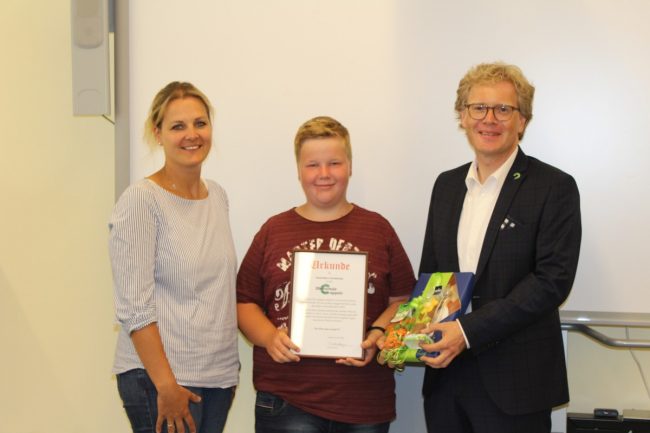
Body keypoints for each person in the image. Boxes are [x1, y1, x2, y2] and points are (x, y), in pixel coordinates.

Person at [417, 62, 582, 433]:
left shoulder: (554, 187)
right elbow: (433, 275)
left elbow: (551, 281)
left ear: (522, 121)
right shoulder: (446, 186)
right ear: (463, 116)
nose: (489, 119)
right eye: (478, 108)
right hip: (447, 381)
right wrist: (411, 333)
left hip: (516, 384)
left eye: (503, 109)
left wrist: (467, 331)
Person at [236, 116, 416, 433]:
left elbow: (404, 299)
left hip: (363, 399)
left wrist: (378, 333)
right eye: (312, 165)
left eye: (334, 163)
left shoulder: (378, 229)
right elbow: (244, 301)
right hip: (287, 398)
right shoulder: (273, 231)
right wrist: (269, 338)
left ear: (350, 166)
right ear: (298, 170)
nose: (324, 174)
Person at [109, 82, 239, 433]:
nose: (191, 135)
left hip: (217, 378)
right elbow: (135, 307)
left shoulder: (217, 197)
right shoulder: (141, 200)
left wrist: (227, 372)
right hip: (162, 380)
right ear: (158, 133)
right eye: (178, 126)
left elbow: (218, 290)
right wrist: (166, 385)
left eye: (200, 123)